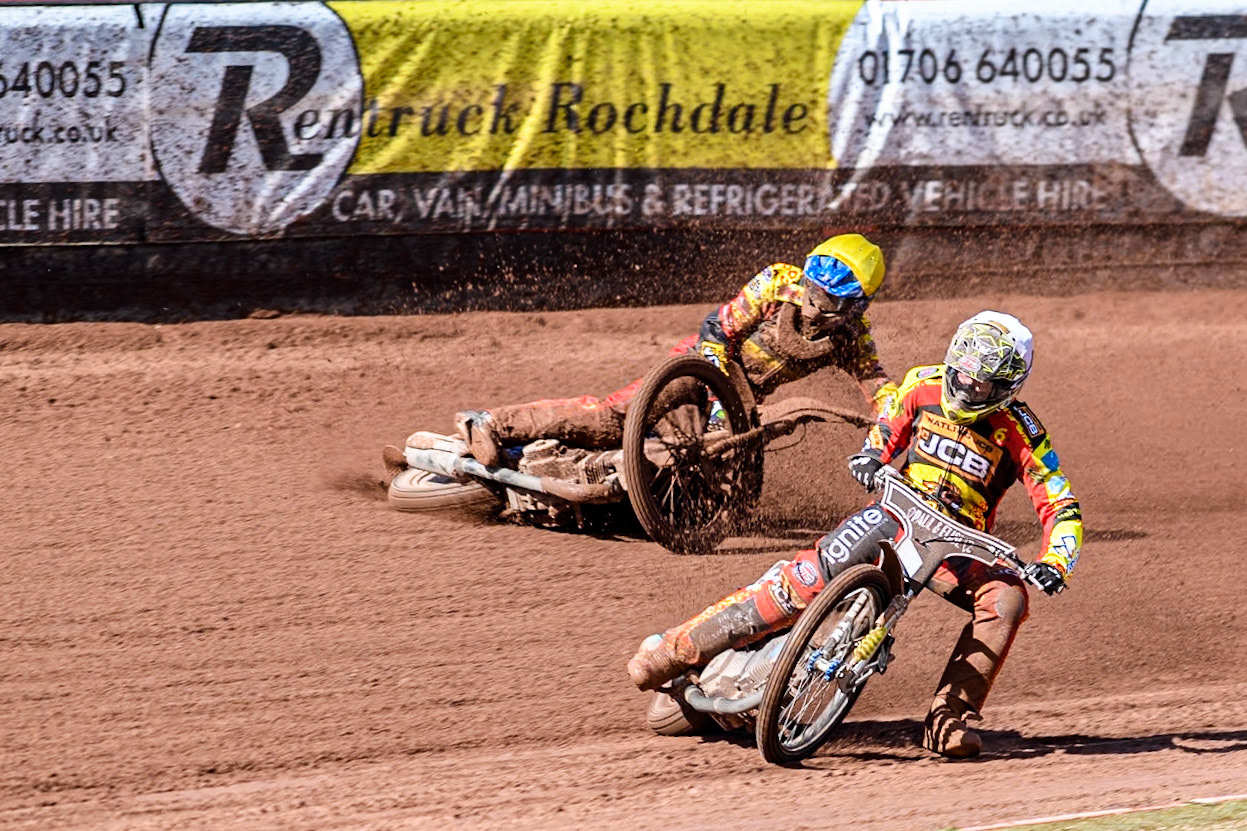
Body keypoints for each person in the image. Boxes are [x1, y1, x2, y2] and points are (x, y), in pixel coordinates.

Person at [626, 310, 1084, 758]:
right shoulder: (923, 382)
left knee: (1007, 600)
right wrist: (872, 455)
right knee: (804, 581)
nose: (966, 387)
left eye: (981, 384)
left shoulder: (1025, 433)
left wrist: (1055, 563)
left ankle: (949, 717)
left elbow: (1062, 505)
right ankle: (676, 649)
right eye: (962, 374)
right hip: (893, 510)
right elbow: (888, 426)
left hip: (957, 543)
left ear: (1007, 388)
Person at [454, 233, 896, 466]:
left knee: (711, 460)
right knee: (618, 419)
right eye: (813, 291)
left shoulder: (852, 339)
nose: (815, 305)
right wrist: (720, 393)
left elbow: (880, 391)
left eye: (829, 302)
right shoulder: (780, 281)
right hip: (701, 364)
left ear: (856, 307)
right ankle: (489, 423)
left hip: (741, 397)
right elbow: (717, 330)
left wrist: (897, 426)